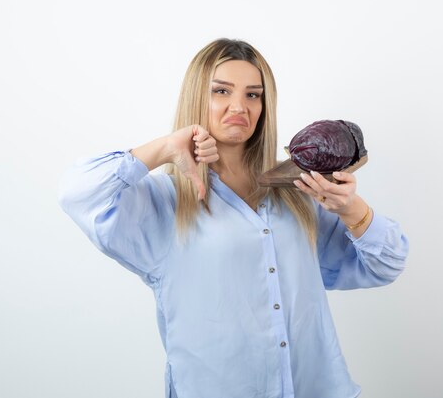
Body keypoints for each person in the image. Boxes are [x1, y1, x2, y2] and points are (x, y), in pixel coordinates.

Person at [58, 38, 408, 398]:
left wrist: (349, 207)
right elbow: (77, 193)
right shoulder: (163, 203)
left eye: (253, 95)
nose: (239, 106)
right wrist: (165, 148)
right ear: (197, 96)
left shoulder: (299, 193)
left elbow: (387, 263)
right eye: (221, 91)